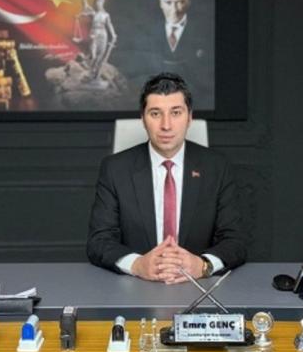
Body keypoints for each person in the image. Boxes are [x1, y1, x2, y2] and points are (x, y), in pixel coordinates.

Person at [86, 72, 247, 283]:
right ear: (143, 119)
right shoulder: (115, 169)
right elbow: (99, 241)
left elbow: (235, 241)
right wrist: (137, 265)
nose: (166, 125)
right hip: (136, 286)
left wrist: (202, 265)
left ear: (189, 117)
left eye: (176, 112)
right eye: (155, 113)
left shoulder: (218, 167)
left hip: (198, 286)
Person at [149, 0, 214, 107]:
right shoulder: (147, 34)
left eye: (180, 2)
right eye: (168, 2)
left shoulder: (207, 33)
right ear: (160, 2)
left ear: (189, 1)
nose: (174, 10)